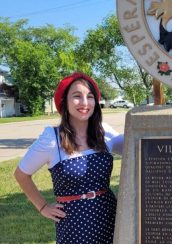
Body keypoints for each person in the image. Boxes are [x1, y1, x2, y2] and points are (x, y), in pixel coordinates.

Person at [14, 72, 124, 243]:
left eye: (90, 96)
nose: (85, 102)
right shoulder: (52, 138)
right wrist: (42, 207)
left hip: (109, 214)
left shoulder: (103, 130)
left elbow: (136, 148)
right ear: (64, 101)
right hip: (75, 224)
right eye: (77, 96)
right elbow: (21, 174)